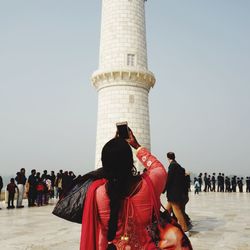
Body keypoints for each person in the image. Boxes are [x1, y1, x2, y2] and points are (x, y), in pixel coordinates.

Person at [80, 130, 168, 249]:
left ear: (105, 163)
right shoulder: (149, 184)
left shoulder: (97, 193)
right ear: (131, 161)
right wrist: (136, 146)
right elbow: (158, 168)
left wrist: (113, 149)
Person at [165, 152, 189, 234]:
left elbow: (169, 179)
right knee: (167, 210)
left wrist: (163, 189)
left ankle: (185, 229)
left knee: (176, 210)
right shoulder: (179, 166)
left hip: (173, 193)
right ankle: (165, 226)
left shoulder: (172, 166)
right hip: (178, 192)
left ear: (168, 158)